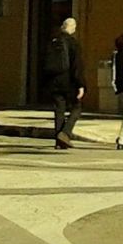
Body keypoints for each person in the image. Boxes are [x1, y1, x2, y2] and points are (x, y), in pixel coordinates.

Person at [43, 16, 85, 150]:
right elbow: (76, 66)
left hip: (54, 81)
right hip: (69, 82)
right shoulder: (73, 43)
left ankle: (59, 141)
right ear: (72, 28)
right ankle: (65, 133)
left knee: (59, 110)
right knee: (77, 107)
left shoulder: (53, 41)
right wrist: (80, 84)